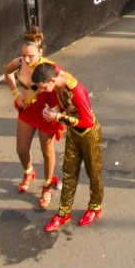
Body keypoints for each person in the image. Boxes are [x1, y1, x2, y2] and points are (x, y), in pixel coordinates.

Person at [33, 62, 103, 232]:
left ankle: (95, 206)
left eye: (43, 87)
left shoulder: (76, 92)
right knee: (68, 172)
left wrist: (57, 117)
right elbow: (50, 65)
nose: (41, 91)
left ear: (52, 80)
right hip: (73, 133)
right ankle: (63, 212)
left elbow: (87, 121)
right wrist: (54, 110)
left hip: (89, 135)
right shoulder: (55, 75)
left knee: (93, 173)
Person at [2, 30, 60, 202]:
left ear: (40, 52)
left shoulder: (49, 68)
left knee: (47, 152)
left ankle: (47, 185)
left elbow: (62, 88)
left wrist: (56, 111)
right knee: (21, 149)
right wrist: (15, 94)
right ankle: (28, 171)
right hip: (27, 110)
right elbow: (7, 73)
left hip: (44, 113)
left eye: (31, 56)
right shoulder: (19, 63)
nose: (27, 59)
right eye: (24, 55)